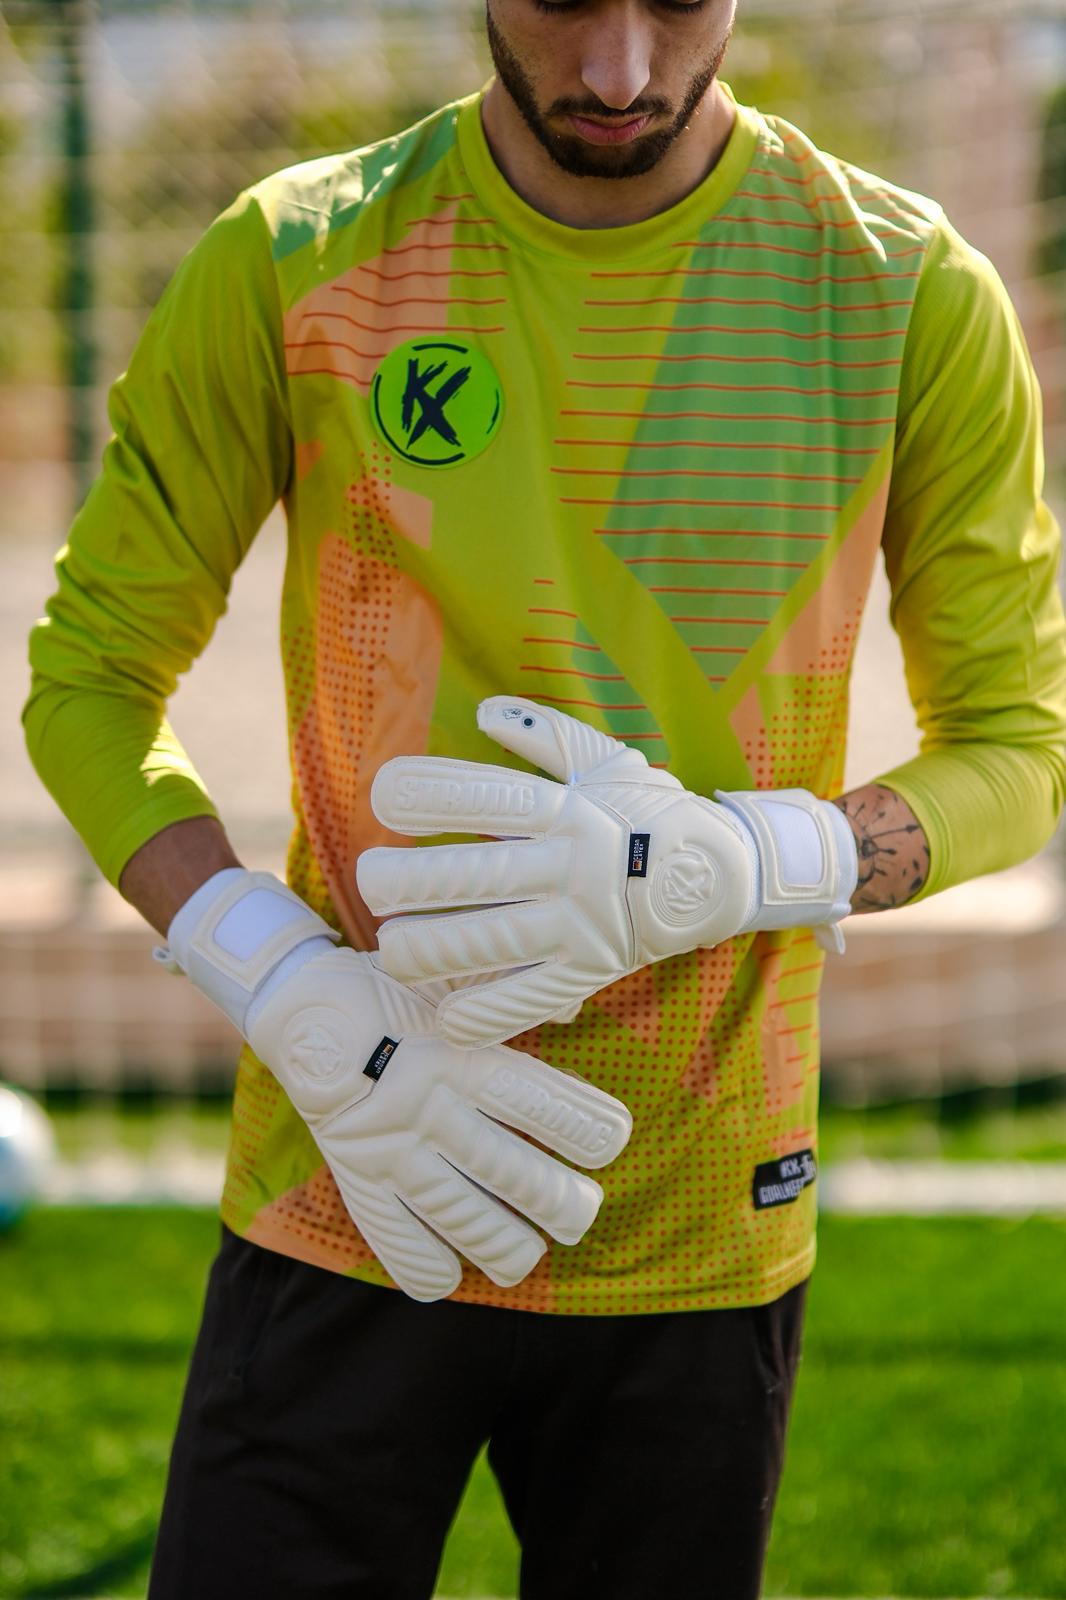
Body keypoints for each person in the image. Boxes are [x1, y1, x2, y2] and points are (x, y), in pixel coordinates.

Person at [23, 1, 1066, 1595]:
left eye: (676, 2)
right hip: (349, 1160)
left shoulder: (902, 289)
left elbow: (1019, 747)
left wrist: (750, 860)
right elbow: (91, 681)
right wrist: (274, 974)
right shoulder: (295, 260)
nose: (620, 72)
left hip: (699, 1213)